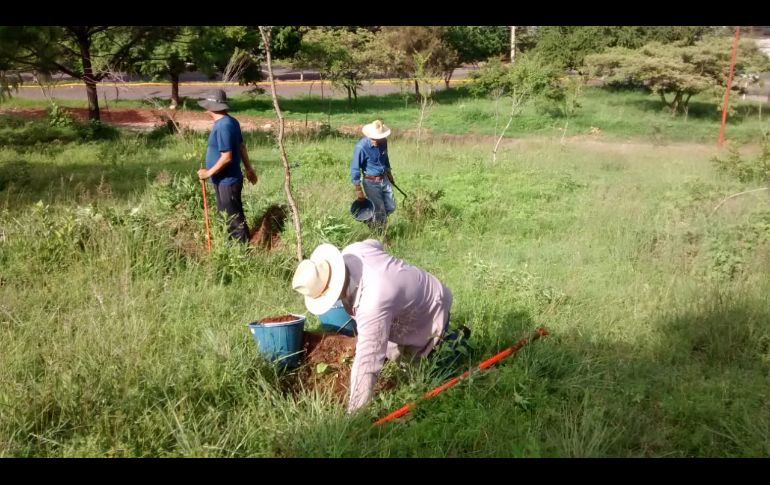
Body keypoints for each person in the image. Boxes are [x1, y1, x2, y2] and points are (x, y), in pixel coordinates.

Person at [291, 239, 467, 413]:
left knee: (429, 371)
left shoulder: (372, 302)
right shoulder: (353, 251)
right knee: (398, 355)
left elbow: (368, 360)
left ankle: (456, 344)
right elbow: (376, 244)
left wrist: (355, 413)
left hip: (432, 307)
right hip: (417, 289)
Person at [197, 89, 258, 243]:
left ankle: (243, 252)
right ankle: (233, 248)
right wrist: (249, 169)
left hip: (227, 182)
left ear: (211, 106)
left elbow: (226, 158)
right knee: (228, 216)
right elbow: (242, 147)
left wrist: (208, 173)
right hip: (223, 181)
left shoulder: (223, 126)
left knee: (234, 220)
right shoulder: (230, 121)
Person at [351, 120, 397, 231]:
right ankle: (381, 232)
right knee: (380, 210)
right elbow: (355, 168)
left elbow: (385, 158)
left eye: (379, 138)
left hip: (384, 178)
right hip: (371, 181)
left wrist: (389, 174)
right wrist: (358, 189)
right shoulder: (361, 147)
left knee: (391, 206)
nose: (377, 141)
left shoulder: (383, 142)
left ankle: (372, 219)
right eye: (374, 138)